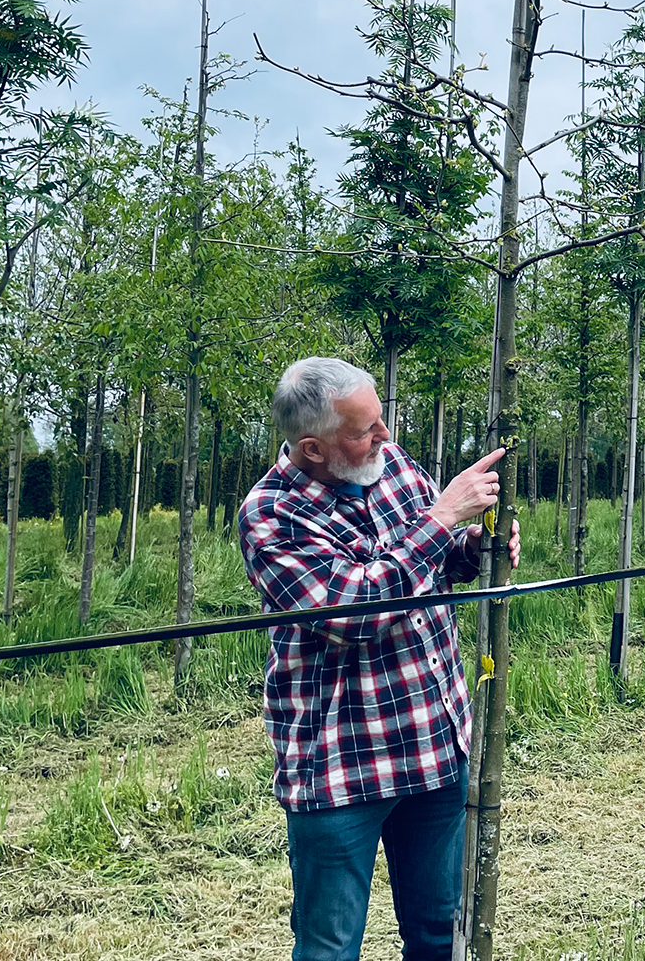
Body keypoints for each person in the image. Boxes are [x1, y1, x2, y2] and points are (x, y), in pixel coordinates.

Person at [236, 356, 520, 961]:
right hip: (344, 764)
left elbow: (434, 564)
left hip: (432, 741)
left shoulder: (391, 466)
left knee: (439, 931)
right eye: (366, 430)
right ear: (313, 448)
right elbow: (351, 614)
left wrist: (475, 545)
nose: (385, 437)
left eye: (381, 421)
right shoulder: (271, 515)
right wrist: (443, 520)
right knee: (331, 946)